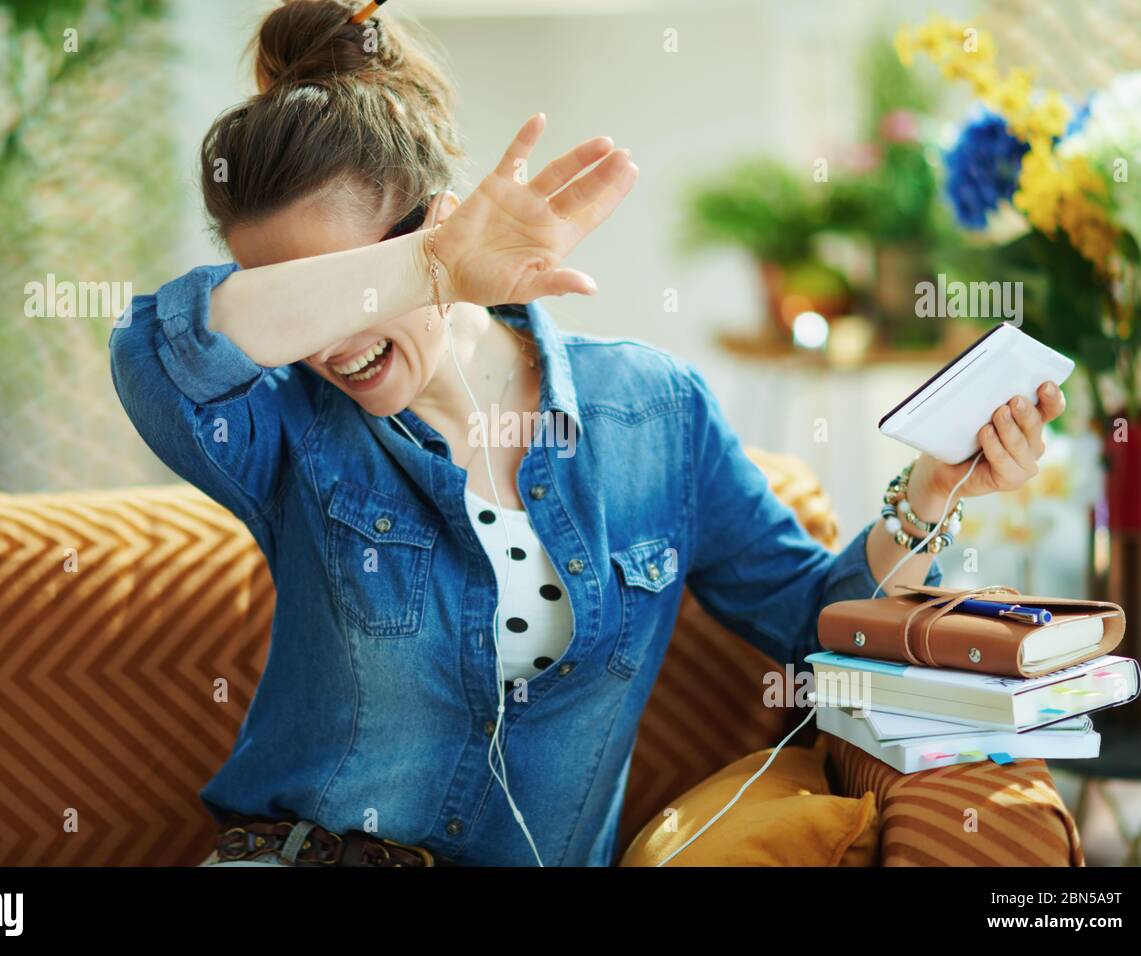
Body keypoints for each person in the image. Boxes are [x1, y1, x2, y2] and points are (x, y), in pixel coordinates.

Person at [108, 0, 1065, 867]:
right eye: (306, 303)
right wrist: (422, 269)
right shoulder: (286, 429)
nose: (329, 344)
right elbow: (162, 351)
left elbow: (816, 622)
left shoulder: (652, 413)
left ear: (436, 221)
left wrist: (933, 493)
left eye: (367, 282)